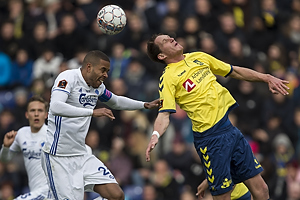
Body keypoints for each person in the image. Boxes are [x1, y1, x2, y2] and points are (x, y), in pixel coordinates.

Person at [145, 33, 290, 200]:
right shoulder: (168, 77)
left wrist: (266, 77)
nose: (171, 39)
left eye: (170, 37)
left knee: (262, 189)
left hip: (230, 130)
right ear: (162, 55)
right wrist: (155, 135)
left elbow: (234, 71)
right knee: (223, 196)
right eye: (165, 41)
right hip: (210, 139)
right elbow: (164, 114)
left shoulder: (199, 56)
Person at [41, 50, 159, 200]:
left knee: (117, 195)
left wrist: (144, 104)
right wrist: (91, 112)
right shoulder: (67, 78)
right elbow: (56, 107)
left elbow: (116, 101)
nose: (106, 75)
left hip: (82, 154)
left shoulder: (98, 87)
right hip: (57, 156)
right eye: (103, 70)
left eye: (108, 71)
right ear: (89, 67)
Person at [0, 95, 52, 200]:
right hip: (34, 191)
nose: (36, 114)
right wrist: (6, 146)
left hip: (49, 191)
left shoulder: (51, 135)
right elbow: (5, 159)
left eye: (40, 110)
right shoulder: (21, 133)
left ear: (46, 115)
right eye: (33, 110)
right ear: (27, 115)